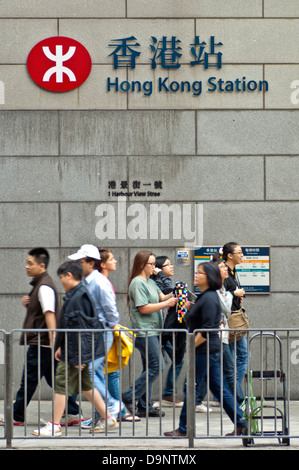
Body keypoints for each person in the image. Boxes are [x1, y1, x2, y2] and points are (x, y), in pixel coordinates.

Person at [32, 261, 118, 436]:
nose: (61, 281)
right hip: (74, 350)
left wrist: (78, 356)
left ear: (69, 275)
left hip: (74, 352)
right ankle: (108, 418)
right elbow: (71, 326)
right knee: (86, 386)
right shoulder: (78, 294)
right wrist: (61, 346)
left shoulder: (78, 297)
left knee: (61, 384)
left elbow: (81, 330)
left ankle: (55, 425)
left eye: (62, 277)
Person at [164, 262, 246, 437]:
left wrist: (191, 345)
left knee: (190, 389)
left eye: (199, 273)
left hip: (204, 351)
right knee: (219, 389)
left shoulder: (209, 298)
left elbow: (208, 329)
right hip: (208, 352)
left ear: (209, 277)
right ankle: (241, 423)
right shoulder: (205, 297)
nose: (196, 275)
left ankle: (184, 429)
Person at [0, 248, 80, 427]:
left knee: (28, 381)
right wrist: (28, 303)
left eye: (30, 263)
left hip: (42, 344)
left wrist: (53, 343)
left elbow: (50, 314)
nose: (27, 266)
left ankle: (16, 416)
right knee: (56, 381)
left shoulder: (44, 286)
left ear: (41, 265)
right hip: (45, 345)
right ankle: (73, 411)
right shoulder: (41, 285)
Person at [67, 244, 125, 425]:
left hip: (101, 332)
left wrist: (112, 323)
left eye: (80, 261)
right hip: (96, 332)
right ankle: (104, 415)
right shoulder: (90, 280)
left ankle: (112, 405)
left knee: (90, 372)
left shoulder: (97, 281)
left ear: (90, 263)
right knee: (95, 371)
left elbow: (109, 308)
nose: (77, 264)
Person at [122, 250, 177, 418]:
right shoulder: (137, 283)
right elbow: (143, 307)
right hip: (144, 331)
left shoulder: (150, 282)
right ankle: (129, 396)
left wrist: (176, 295)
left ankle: (144, 406)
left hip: (153, 330)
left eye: (155, 264)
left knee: (150, 367)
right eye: (151, 264)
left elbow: (162, 297)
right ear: (141, 265)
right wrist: (167, 302)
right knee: (157, 366)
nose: (154, 267)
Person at [151, 256, 184, 407]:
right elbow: (170, 290)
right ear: (158, 268)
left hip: (163, 330)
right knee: (156, 366)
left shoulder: (159, 280)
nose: (171, 267)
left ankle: (167, 394)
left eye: (171, 264)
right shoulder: (158, 281)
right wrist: (161, 275)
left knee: (175, 360)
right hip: (158, 331)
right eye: (167, 265)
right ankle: (165, 395)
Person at [222, 242, 248, 384]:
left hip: (232, 319)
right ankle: (231, 391)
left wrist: (238, 297)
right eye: (239, 252)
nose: (241, 255)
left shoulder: (232, 272)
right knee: (242, 355)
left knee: (232, 357)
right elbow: (219, 294)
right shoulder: (224, 272)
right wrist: (234, 293)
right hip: (230, 320)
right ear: (230, 255)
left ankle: (225, 393)